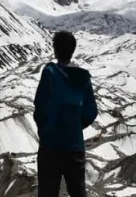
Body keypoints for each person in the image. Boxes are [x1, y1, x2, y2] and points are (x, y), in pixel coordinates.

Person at [33, 31, 98, 197]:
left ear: (55, 49)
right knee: (78, 192)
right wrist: (74, 125)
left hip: (50, 146)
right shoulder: (83, 78)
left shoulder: (50, 73)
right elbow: (91, 112)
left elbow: (40, 107)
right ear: (73, 50)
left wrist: (45, 128)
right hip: (74, 146)